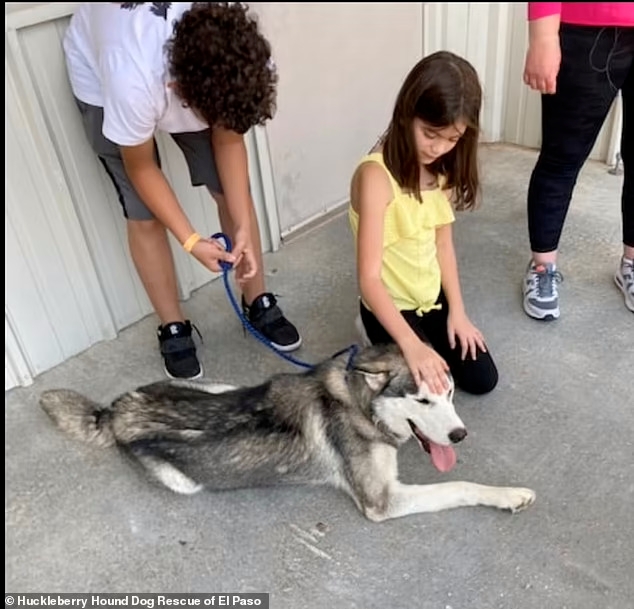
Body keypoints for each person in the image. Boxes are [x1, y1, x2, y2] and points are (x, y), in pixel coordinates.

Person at [63, 2, 302, 381]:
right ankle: (173, 326)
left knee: (233, 192)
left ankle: (256, 298)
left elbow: (229, 141)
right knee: (143, 212)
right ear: (178, 90)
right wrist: (191, 240)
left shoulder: (239, 55)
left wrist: (240, 224)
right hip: (103, 76)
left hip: (192, 78)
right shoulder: (133, 77)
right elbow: (140, 167)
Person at [349, 51, 498, 397]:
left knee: (481, 379)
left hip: (431, 298)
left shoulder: (443, 169)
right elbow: (369, 279)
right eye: (431, 134)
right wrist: (410, 343)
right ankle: (373, 332)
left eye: (453, 139)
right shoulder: (376, 177)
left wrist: (457, 312)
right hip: (388, 302)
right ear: (407, 114)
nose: (440, 148)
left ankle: (418, 338)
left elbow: (443, 246)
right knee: (426, 388)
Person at [521, 2, 634, 320]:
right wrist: (542, 34)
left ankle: (632, 264)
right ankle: (543, 267)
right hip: (586, 24)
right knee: (562, 157)